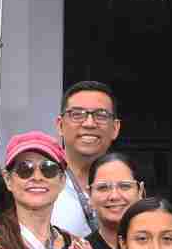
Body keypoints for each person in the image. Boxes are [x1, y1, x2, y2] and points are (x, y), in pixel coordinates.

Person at [51, 80, 123, 238]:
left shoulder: (128, 187)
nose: (89, 123)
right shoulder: (40, 182)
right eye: (77, 114)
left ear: (115, 128)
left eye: (101, 115)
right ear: (60, 125)